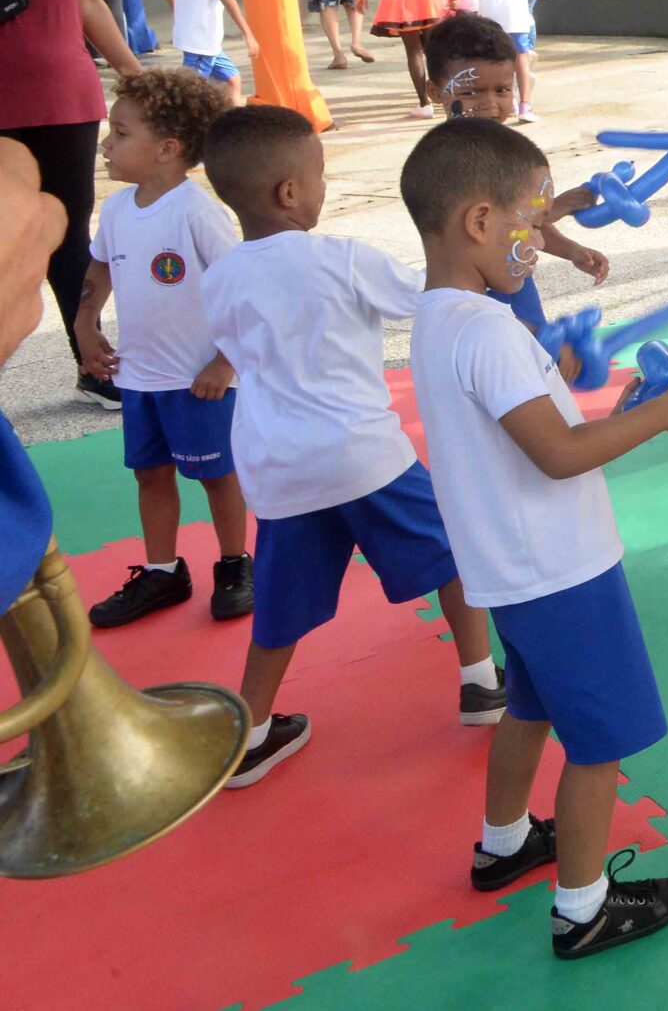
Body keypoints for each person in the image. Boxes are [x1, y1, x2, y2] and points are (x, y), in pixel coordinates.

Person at [404, 117, 668, 958]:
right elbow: (557, 453)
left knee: (531, 704)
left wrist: (604, 391)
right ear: (480, 220)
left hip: (509, 567)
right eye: (532, 219)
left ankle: (504, 840)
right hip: (560, 568)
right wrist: (663, 413)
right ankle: (583, 908)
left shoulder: (441, 317)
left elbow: (525, 424)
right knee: (601, 742)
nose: (540, 239)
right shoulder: (488, 329)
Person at [197, 105, 504, 789]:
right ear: (290, 192)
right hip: (363, 457)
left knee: (279, 608)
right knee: (456, 553)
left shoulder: (218, 279)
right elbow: (435, 293)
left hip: (277, 470)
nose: (323, 188)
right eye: (319, 176)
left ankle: (249, 736)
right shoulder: (341, 258)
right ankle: (481, 681)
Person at [73, 70, 253, 628]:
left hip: (198, 381)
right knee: (149, 475)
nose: (106, 144)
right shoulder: (118, 210)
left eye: (121, 133)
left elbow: (243, 287)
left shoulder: (196, 212)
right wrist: (84, 323)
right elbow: (99, 268)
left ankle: (235, 563)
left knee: (217, 475)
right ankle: (162, 571)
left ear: (168, 149)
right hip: (139, 378)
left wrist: (225, 362)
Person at [0, 0, 142, 409]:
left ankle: (92, 360)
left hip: (64, 95)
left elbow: (88, 1)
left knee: (69, 233)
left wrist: (135, 75)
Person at [420, 12, 611, 341]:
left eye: (502, 90)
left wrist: (571, 250)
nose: (490, 104)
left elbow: (523, 223)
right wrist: (555, 207)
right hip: (474, 301)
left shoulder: (504, 150)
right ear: (436, 92)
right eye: (472, 92)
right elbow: (494, 225)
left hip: (515, 285)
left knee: (535, 359)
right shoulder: (448, 159)